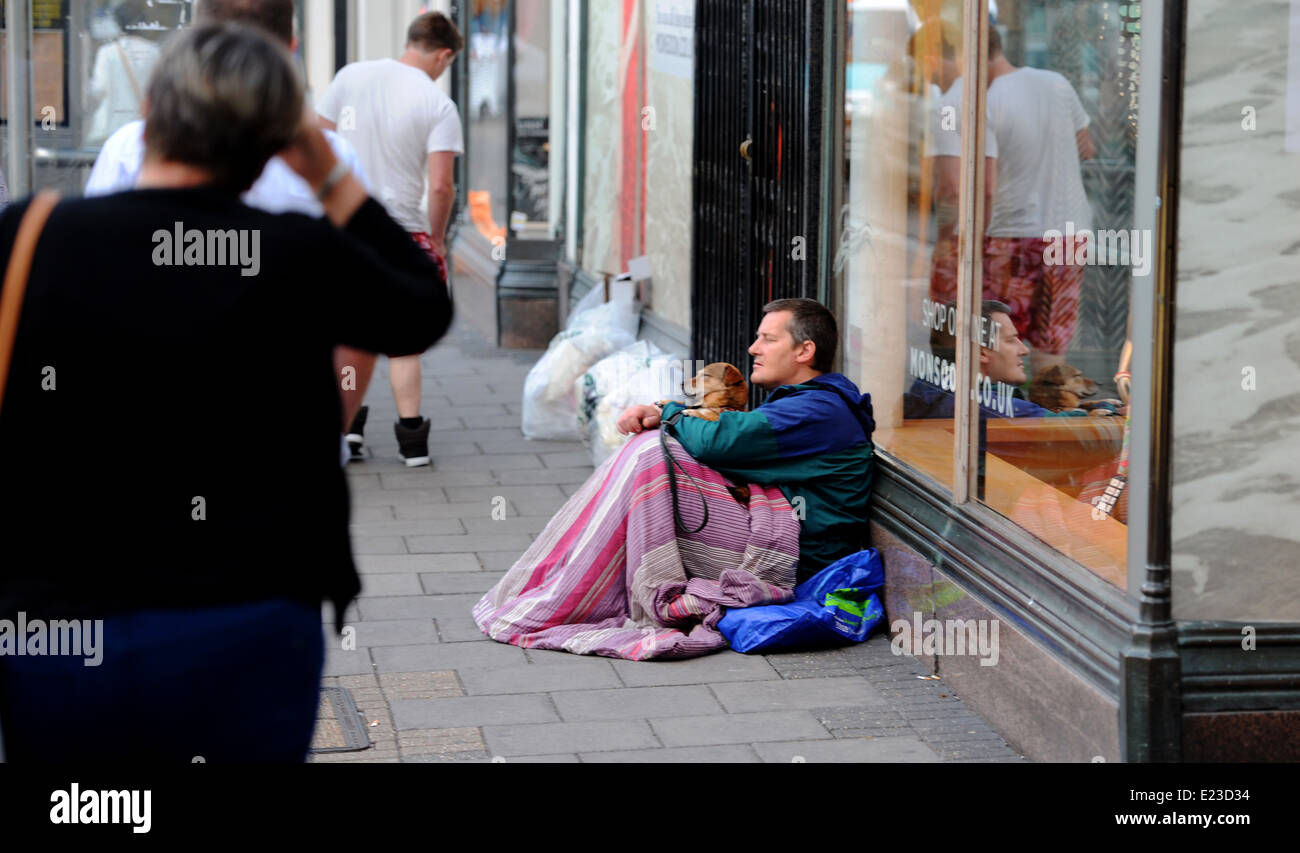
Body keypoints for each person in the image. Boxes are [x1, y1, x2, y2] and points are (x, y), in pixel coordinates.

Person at [0, 22, 452, 762]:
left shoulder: (31, 236)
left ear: (150, 109)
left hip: (59, 626)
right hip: (248, 615)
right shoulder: (294, 251)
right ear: (276, 141)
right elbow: (418, 304)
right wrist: (325, 171)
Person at [472, 299, 875, 660]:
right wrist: (670, 411)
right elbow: (726, 443)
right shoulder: (807, 402)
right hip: (779, 533)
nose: (754, 349)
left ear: (805, 351)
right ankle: (574, 584)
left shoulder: (819, 410)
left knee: (653, 455)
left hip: (798, 557)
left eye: (768, 339)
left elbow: (721, 442)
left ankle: (585, 590)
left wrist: (668, 413)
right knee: (655, 449)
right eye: (757, 338)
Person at [84, 0, 372, 466]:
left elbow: (91, 301)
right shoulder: (330, 161)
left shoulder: (126, 149)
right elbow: (372, 315)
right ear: (291, 50)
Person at [316, 12, 465, 467]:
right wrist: (436, 239)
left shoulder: (350, 77)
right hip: (402, 231)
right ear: (443, 54)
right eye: (448, 63)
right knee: (403, 342)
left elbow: (317, 146)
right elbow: (441, 187)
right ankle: (412, 441)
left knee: (346, 332)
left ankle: (348, 432)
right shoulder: (437, 103)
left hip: (344, 228)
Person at [928, 24, 1095, 374]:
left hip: (1012, 235)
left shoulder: (980, 97)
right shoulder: (1056, 83)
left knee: (999, 343)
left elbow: (980, 188)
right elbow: (1087, 147)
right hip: (1069, 235)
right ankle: (1046, 418)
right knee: (1051, 343)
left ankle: (1004, 421)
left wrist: (963, 249)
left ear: (963, 55)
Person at [904, 300, 1070, 420]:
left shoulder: (928, 391)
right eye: (1011, 340)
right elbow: (1077, 432)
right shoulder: (995, 408)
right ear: (981, 353)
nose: (1024, 350)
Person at [84, 0, 160, 148]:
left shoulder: (107, 52)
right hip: (143, 125)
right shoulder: (154, 51)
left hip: (113, 126)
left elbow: (98, 89)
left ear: (118, 22)